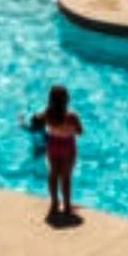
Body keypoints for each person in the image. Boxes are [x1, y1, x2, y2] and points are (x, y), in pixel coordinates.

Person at [29, 85, 82, 223]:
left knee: (53, 174)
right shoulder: (71, 116)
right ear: (67, 99)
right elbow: (79, 131)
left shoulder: (47, 114)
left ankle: (54, 203)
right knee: (66, 177)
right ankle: (67, 206)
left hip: (52, 144)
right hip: (67, 146)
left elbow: (35, 120)